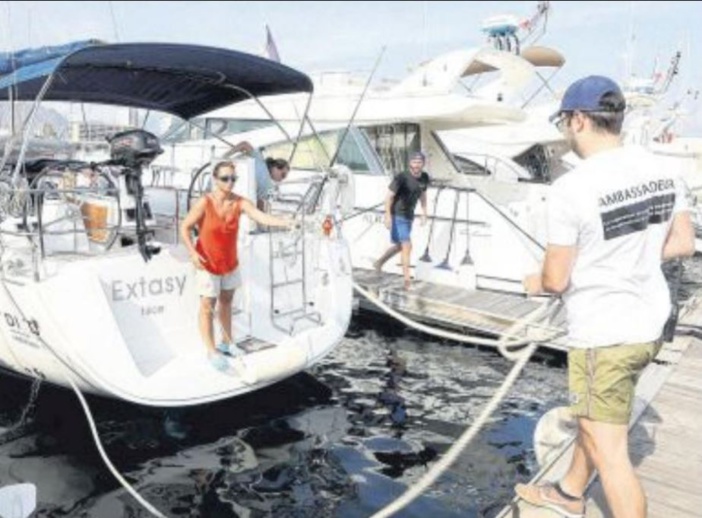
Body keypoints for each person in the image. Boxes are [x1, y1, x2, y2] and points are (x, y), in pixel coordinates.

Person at [517, 76, 695, 518]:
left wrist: (532, 282)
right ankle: (570, 493)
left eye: (563, 122)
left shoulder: (570, 189)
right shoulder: (665, 169)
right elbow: (684, 243)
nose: (564, 131)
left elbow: (557, 278)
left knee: (609, 449)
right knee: (595, 422)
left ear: (578, 119)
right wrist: (628, 258)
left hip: (605, 336)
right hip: (649, 324)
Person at [180, 160, 295, 372]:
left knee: (226, 301)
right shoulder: (204, 203)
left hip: (230, 262)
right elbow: (184, 227)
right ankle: (211, 350)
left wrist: (285, 222)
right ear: (215, 180)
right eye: (225, 178)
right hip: (207, 263)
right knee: (207, 307)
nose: (230, 182)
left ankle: (227, 342)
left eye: (233, 178)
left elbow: (260, 216)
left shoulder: (240, 202)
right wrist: (193, 253)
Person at [373, 151, 429, 290]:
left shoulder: (425, 178)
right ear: (410, 163)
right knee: (407, 246)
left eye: (419, 162)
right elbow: (389, 197)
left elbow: (422, 195)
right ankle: (407, 282)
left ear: (423, 163)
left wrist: (424, 212)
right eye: (414, 162)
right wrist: (387, 216)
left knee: (400, 246)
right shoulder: (401, 177)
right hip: (397, 215)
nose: (417, 165)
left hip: (409, 216)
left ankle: (379, 262)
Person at [226, 140, 290, 210]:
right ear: (276, 167)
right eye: (283, 175)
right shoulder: (268, 186)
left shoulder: (258, 158)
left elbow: (245, 145)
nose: (281, 179)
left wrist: (224, 157)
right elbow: (261, 205)